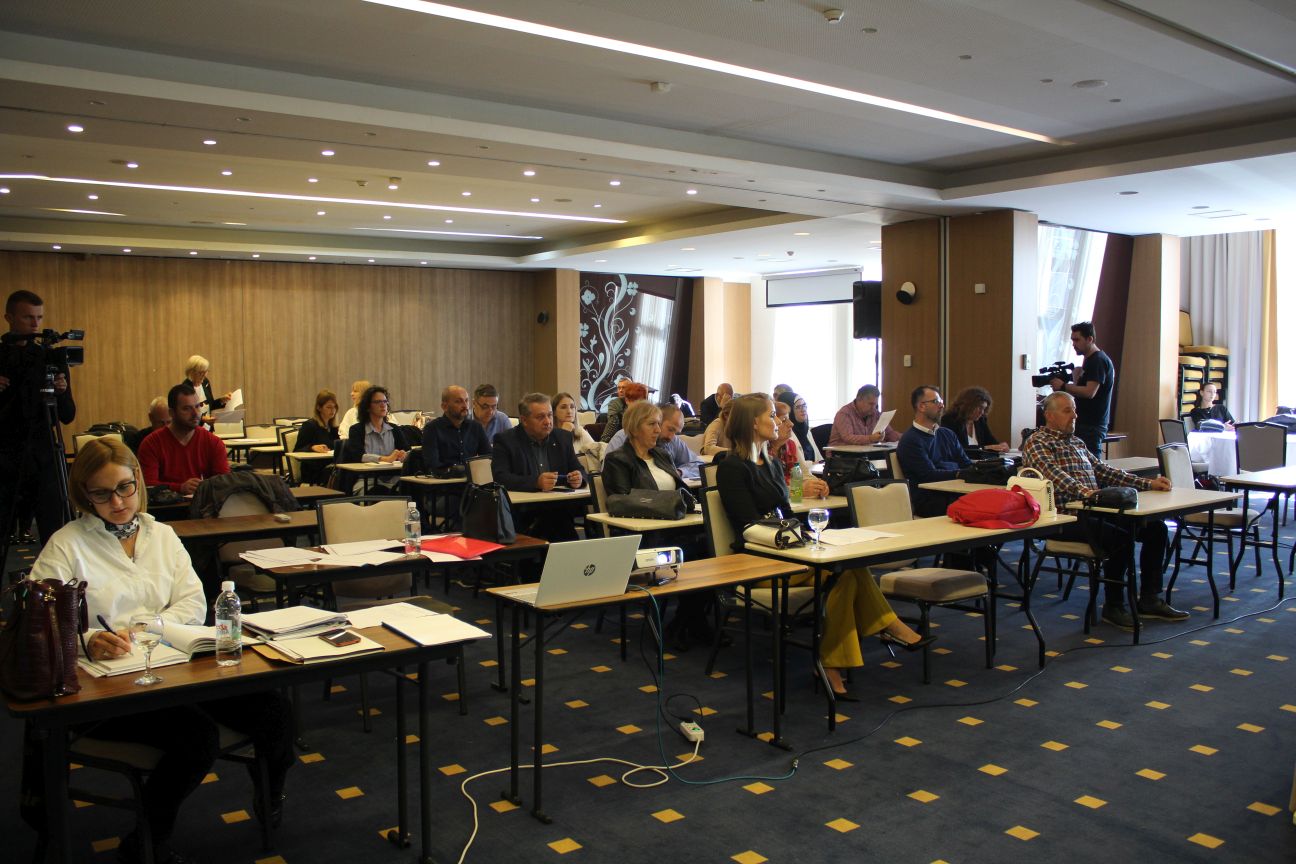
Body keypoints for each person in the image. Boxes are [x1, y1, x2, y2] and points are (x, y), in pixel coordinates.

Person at [30, 439, 294, 864]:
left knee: (275, 713)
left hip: (176, 666)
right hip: (107, 684)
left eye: (125, 487)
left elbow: (192, 601)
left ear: (138, 481)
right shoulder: (67, 544)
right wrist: (85, 639)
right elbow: (40, 620)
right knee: (196, 738)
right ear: (84, 494)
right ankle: (146, 841)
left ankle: (269, 795)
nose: (118, 502)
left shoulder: (162, 534)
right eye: (102, 493)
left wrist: (146, 628)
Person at [716, 394, 931, 699]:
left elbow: (786, 512)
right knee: (844, 573)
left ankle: (836, 661)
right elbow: (747, 525)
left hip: (789, 549)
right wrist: (797, 540)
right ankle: (880, 630)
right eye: (771, 415)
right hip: (757, 560)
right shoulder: (732, 467)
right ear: (753, 422)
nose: (779, 422)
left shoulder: (771, 463)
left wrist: (807, 537)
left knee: (846, 570)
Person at [1023, 391, 1184, 629]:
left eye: (1074, 410)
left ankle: (1150, 599)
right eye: (1067, 411)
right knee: (1119, 537)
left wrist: (1148, 483)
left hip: (1093, 509)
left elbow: (1104, 471)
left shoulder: (1076, 443)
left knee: (1155, 529)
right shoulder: (1037, 442)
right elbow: (1054, 476)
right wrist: (1087, 493)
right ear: (1049, 415)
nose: (1074, 415)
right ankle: (1113, 605)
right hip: (1063, 518)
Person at [602, 400, 711, 648]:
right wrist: (667, 503)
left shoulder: (662, 455)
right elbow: (621, 502)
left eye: (659, 424)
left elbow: (682, 486)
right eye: (651, 424)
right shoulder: (618, 460)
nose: (657, 430)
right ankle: (691, 624)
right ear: (634, 427)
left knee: (712, 550)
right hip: (643, 537)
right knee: (698, 553)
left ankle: (682, 622)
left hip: (674, 529)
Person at [0, 289, 77, 547]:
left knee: (55, 532)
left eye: (39, 317)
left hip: (44, 456)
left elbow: (68, 415)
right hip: (5, 454)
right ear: (9, 318)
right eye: (28, 317)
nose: (35, 324)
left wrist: (61, 392)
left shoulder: (49, 358)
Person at [491, 393, 586, 542]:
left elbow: (579, 470)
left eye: (549, 415)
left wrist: (578, 478)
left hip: (559, 508)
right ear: (524, 420)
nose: (547, 421)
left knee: (561, 525)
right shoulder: (506, 441)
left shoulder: (562, 438)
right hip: (524, 511)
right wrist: (536, 482)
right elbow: (500, 477)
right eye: (540, 417)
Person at [137, 382, 230, 494]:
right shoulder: (151, 444)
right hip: (166, 504)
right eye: (186, 409)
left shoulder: (214, 443)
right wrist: (180, 488)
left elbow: (224, 484)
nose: (195, 413)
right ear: (172, 413)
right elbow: (148, 486)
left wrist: (204, 487)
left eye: (197, 406)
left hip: (205, 503)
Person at [897, 385, 971, 518]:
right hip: (930, 500)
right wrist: (959, 472)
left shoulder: (947, 434)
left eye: (941, 402)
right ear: (921, 406)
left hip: (954, 491)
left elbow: (966, 464)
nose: (942, 406)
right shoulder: (910, 440)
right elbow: (929, 475)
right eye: (936, 402)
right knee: (981, 507)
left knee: (993, 500)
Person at [1050, 321, 1114, 457]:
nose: (1073, 344)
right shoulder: (1090, 360)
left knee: (1091, 466)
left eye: (1077, 340)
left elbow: (1089, 392)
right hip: (1086, 424)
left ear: (1090, 339)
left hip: (1091, 425)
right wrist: (1075, 379)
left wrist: (1063, 386)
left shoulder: (1097, 360)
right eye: (1072, 340)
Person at [606, 403, 701, 478]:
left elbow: (699, 465)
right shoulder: (622, 438)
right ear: (658, 420)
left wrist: (680, 472)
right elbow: (608, 474)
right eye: (670, 429)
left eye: (676, 433)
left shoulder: (672, 442)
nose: (671, 437)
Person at [422, 385, 491, 475]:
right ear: (444, 406)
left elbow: (488, 457)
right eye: (458, 402)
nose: (465, 406)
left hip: (471, 480)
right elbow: (432, 465)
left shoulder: (476, 427)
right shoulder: (432, 428)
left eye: (466, 400)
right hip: (444, 481)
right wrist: (456, 470)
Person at [341, 384, 413, 465]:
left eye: (385, 401)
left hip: (393, 472)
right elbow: (357, 456)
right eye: (377, 402)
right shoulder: (356, 430)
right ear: (367, 407)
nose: (383, 405)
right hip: (367, 472)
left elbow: (407, 450)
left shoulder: (394, 429)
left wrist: (403, 454)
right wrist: (384, 459)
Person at [941, 386, 1010, 457]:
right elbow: (955, 448)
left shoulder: (981, 420)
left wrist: (1001, 446)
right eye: (980, 407)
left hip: (981, 462)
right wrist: (985, 448)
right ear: (968, 405)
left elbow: (991, 442)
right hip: (960, 462)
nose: (982, 412)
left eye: (984, 409)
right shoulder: (949, 420)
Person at [293, 389, 340, 485]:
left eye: (334, 407)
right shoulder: (309, 426)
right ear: (319, 408)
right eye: (329, 407)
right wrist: (312, 448)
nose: (333, 410)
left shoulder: (333, 428)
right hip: (314, 470)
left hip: (330, 466)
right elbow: (297, 450)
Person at [829, 385, 899, 447]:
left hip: (865, 453)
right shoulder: (844, 413)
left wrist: (903, 438)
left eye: (875, 404)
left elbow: (890, 433)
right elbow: (848, 438)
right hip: (840, 454)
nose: (873, 408)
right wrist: (870, 438)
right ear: (859, 399)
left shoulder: (875, 413)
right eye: (871, 404)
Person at [553, 390, 603, 473]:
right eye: (563, 407)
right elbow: (556, 460)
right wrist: (564, 433)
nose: (569, 411)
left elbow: (595, 450)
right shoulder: (549, 434)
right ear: (554, 412)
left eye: (572, 407)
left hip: (580, 476)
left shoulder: (580, 431)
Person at [181, 354, 232, 426]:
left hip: (208, 429)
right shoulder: (185, 388)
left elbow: (210, 405)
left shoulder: (205, 382)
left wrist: (222, 400)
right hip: (193, 429)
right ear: (191, 372)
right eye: (201, 372)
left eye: (206, 371)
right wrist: (202, 419)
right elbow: (187, 414)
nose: (204, 375)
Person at [777, 391, 824, 463]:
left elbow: (818, 458)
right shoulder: (787, 432)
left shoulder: (806, 429)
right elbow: (798, 465)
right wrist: (814, 464)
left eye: (804, 405)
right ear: (790, 412)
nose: (803, 409)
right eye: (798, 407)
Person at [600, 379, 645, 444]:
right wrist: (603, 443)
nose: (620, 390)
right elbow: (613, 422)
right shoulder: (615, 403)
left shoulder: (645, 408)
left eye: (624, 388)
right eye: (619, 388)